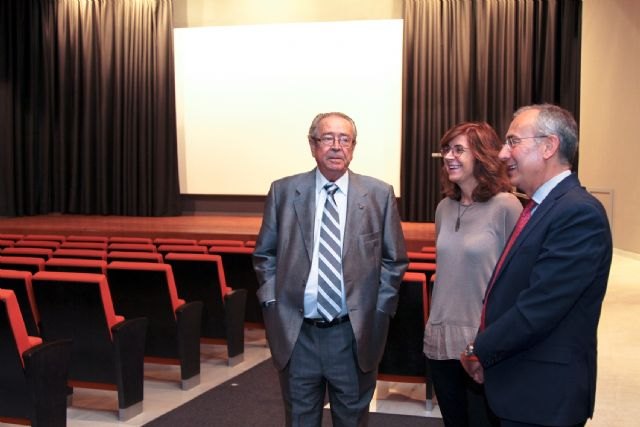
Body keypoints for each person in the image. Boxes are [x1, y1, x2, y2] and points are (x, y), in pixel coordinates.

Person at [460, 104, 613, 427]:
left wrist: (480, 348)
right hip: (522, 387)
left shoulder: (578, 213)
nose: (503, 153)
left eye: (513, 141)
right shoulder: (542, 208)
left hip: (543, 396)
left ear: (548, 146)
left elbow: (539, 307)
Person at [252, 112, 409, 427]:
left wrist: (379, 311)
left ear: (353, 146)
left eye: (345, 139)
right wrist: (273, 303)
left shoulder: (379, 194)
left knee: (352, 420)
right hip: (298, 334)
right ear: (313, 145)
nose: (337, 146)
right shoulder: (284, 192)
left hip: (353, 335)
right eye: (328, 138)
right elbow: (264, 254)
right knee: (299, 419)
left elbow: (395, 260)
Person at [423, 122, 522, 427]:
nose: (449, 156)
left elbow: (516, 280)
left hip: (480, 341)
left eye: (458, 149)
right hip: (440, 339)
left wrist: (493, 339)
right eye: (446, 149)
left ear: (482, 155)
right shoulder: (444, 207)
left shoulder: (506, 205)